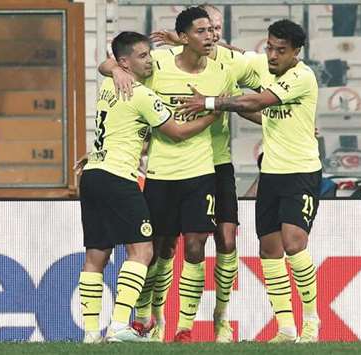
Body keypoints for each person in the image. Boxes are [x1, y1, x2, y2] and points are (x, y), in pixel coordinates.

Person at [98, 7, 239, 343]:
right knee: (159, 249)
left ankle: (185, 327)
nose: (211, 36)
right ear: (185, 36)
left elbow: (250, 89)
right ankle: (149, 316)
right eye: (203, 31)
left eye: (213, 30)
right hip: (160, 172)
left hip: (202, 170)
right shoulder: (157, 63)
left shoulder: (224, 67)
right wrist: (116, 69)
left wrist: (220, 104)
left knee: (195, 246)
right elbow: (113, 63)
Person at [178, 19, 322, 343]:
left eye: (280, 50)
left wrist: (212, 101)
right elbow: (230, 55)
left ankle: (311, 321)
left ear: (296, 52)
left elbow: (257, 102)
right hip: (271, 171)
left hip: (301, 171)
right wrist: (182, 41)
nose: (271, 55)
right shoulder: (264, 63)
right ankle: (286, 327)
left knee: (294, 242)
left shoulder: (302, 76)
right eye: (269, 47)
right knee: (269, 250)